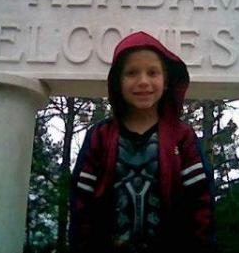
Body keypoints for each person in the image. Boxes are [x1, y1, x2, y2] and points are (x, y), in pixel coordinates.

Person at [69, 31, 216, 253]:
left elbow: (201, 203)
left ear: (166, 81)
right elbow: (82, 205)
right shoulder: (99, 137)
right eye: (131, 73)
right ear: (117, 81)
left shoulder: (182, 137)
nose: (143, 81)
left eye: (153, 72)